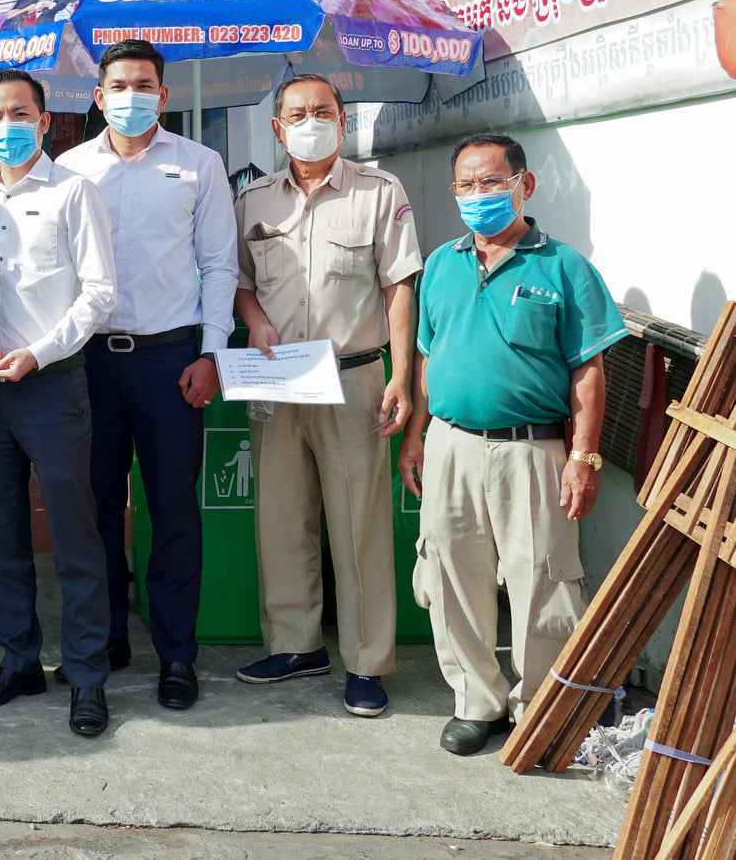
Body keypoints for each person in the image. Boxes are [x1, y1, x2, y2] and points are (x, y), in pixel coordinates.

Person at [400, 134, 622, 757]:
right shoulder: (442, 263)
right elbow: (426, 356)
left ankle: (537, 706)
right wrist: (417, 434)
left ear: (524, 185)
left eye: (492, 183)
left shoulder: (563, 266)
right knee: (448, 573)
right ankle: (477, 702)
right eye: (466, 186)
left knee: (542, 581)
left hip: (533, 452)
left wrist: (583, 455)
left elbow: (589, 370)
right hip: (450, 446)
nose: (479, 196)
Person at [231, 73, 423, 720]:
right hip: (278, 375)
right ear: (276, 129)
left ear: (341, 121)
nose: (309, 120)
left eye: (322, 110)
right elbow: (239, 281)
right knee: (281, 519)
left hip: (353, 376)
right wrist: (252, 318)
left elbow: (400, 287)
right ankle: (295, 644)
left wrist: (401, 375)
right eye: (296, 113)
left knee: (357, 524)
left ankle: (366, 663)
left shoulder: (378, 191)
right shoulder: (253, 199)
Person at [54, 40, 238, 712]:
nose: (130, 96)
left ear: (162, 95)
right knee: (92, 506)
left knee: (172, 510)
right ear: (96, 96)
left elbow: (219, 264)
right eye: (118, 85)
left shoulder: (198, 165)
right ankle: (101, 637)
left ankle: (176, 654)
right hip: (89, 361)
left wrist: (210, 352)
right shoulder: (69, 170)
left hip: (171, 360)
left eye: (143, 85)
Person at [0, 68, 118, 739]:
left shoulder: (75, 193)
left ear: (45, 120)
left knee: (76, 536)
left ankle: (85, 676)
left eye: (17, 113)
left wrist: (38, 353)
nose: (4, 127)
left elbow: (99, 294)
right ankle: (17, 657)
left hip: (50, 383)